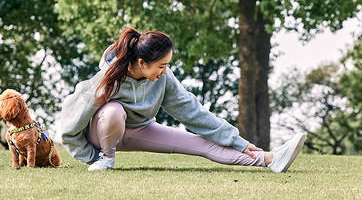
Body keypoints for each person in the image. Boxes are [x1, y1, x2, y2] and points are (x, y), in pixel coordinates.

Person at [60, 27, 306, 172]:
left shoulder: (164, 78)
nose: (165, 70)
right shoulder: (108, 78)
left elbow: (192, 111)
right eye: (161, 65)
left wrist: (238, 140)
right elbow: (71, 122)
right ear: (142, 63)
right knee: (114, 111)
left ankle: (269, 159)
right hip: (102, 132)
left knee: (202, 144)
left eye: (168, 64)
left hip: (139, 129)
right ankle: (107, 159)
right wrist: (89, 156)